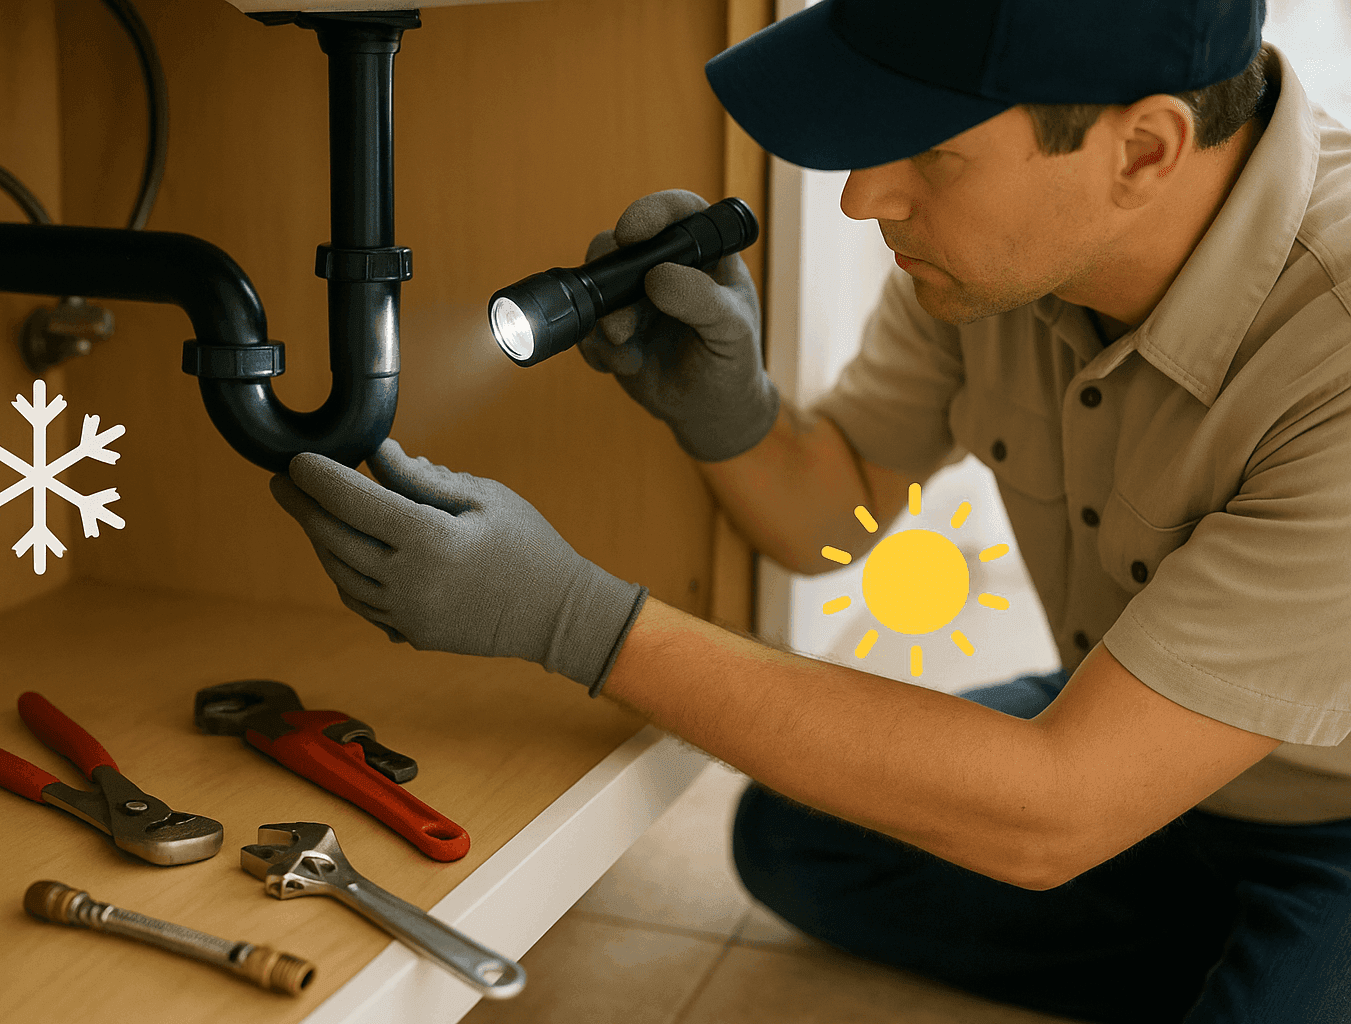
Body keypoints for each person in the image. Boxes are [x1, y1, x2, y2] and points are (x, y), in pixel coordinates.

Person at [268, 1, 1351, 1020]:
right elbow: (836, 516)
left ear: (1145, 151)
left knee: (1035, 826)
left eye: (932, 149)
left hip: (1333, 812)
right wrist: (729, 412)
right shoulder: (1016, 258)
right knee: (802, 838)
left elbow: (1056, 804)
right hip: (1142, 752)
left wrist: (570, 618)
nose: (863, 196)